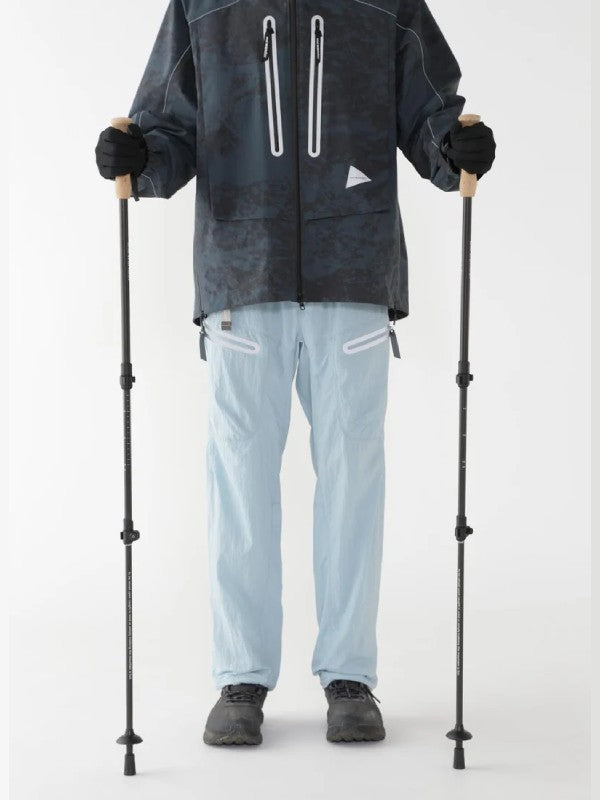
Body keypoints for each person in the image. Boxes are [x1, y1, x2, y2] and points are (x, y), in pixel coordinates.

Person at [96, 0, 495, 746]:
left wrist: (456, 146)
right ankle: (241, 677)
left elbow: (429, 111)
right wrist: (138, 158)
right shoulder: (202, 4)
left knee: (353, 478)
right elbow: (170, 124)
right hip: (243, 272)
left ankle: (349, 676)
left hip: (354, 269)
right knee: (240, 482)